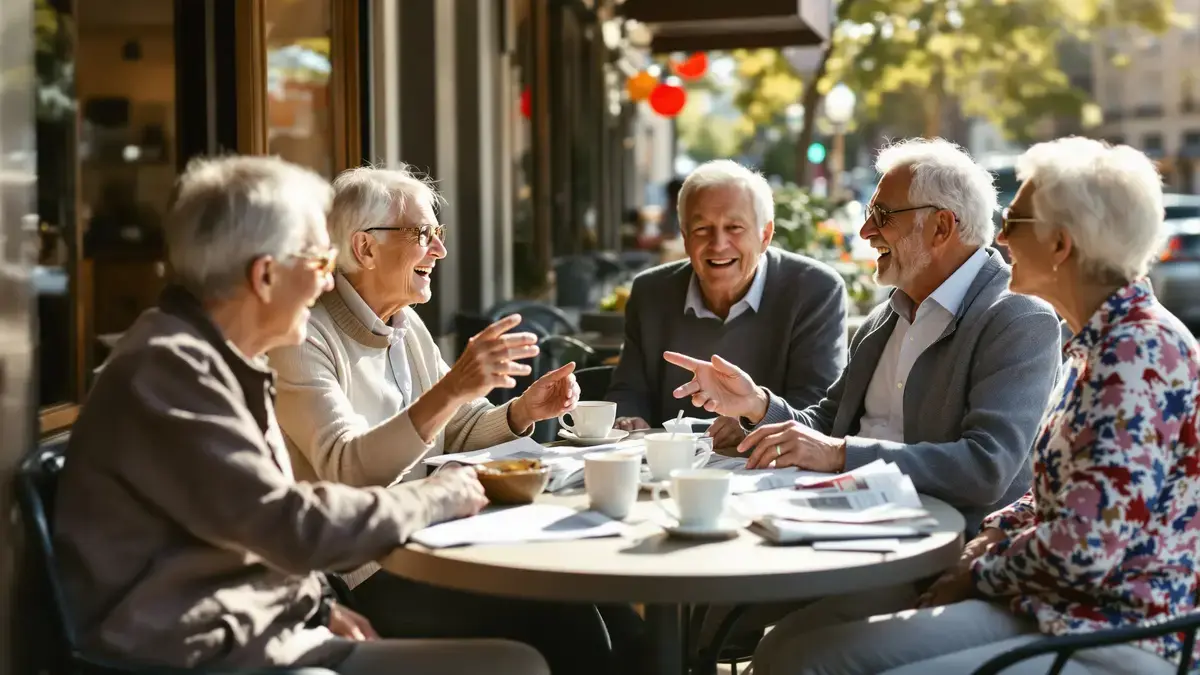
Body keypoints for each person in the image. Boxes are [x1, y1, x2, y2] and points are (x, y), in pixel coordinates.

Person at [53, 156, 547, 675]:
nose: (329, 285)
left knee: (517, 660)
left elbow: (250, 524)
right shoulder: (170, 370)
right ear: (266, 276)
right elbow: (288, 524)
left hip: (255, 632)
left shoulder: (219, 361)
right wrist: (435, 497)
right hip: (196, 655)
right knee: (515, 664)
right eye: (318, 264)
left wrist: (316, 604)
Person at [753, 138, 1198, 674]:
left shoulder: (1136, 353)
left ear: (1060, 244)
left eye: (1015, 222)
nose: (999, 237)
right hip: (1049, 607)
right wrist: (991, 538)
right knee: (791, 653)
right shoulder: (1103, 343)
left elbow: (1083, 549)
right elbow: (1055, 497)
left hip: (1113, 634)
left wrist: (977, 569)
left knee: (816, 664)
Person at [665, 139, 1064, 648]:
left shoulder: (1016, 317)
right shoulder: (885, 317)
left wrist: (840, 455)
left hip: (932, 556)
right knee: (700, 609)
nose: (865, 231)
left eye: (882, 215)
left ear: (941, 227)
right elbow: (828, 425)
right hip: (847, 529)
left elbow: (986, 467)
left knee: (783, 651)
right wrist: (757, 406)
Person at [270, 165, 643, 675]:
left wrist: (522, 410)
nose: (440, 250)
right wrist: (452, 388)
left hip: (441, 541)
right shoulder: (304, 335)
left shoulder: (404, 323)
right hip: (366, 573)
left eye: (437, 233)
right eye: (423, 234)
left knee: (615, 613)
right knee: (566, 623)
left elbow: (457, 427)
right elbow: (347, 468)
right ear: (365, 247)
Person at [607, 159, 848, 448]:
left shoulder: (815, 290)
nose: (719, 244)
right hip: (668, 463)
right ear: (685, 237)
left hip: (771, 466)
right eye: (702, 229)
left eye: (734, 227)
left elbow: (818, 409)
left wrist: (751, 420)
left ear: (765, 235)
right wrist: (628, 419)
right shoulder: (650, 291)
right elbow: (629, 389)